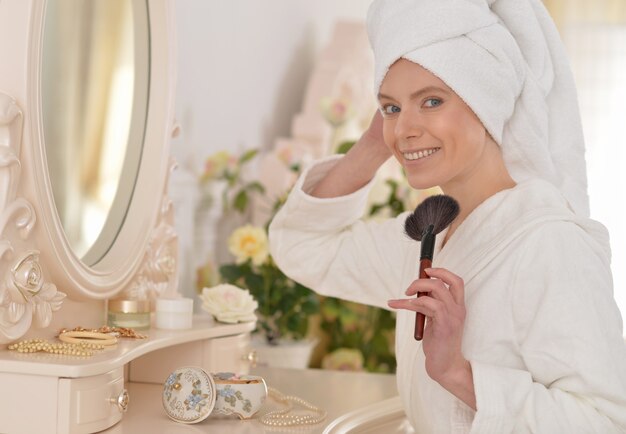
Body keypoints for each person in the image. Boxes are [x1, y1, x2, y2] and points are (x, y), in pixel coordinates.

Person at [268, 0, 626, 432]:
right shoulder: (425, 239)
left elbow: (605, 421)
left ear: (486, 102)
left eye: (432, 101)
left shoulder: (551, 245)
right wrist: (374, 144)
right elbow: (302, 246)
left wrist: (457, 372)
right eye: (391, 107)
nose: (404, 129)